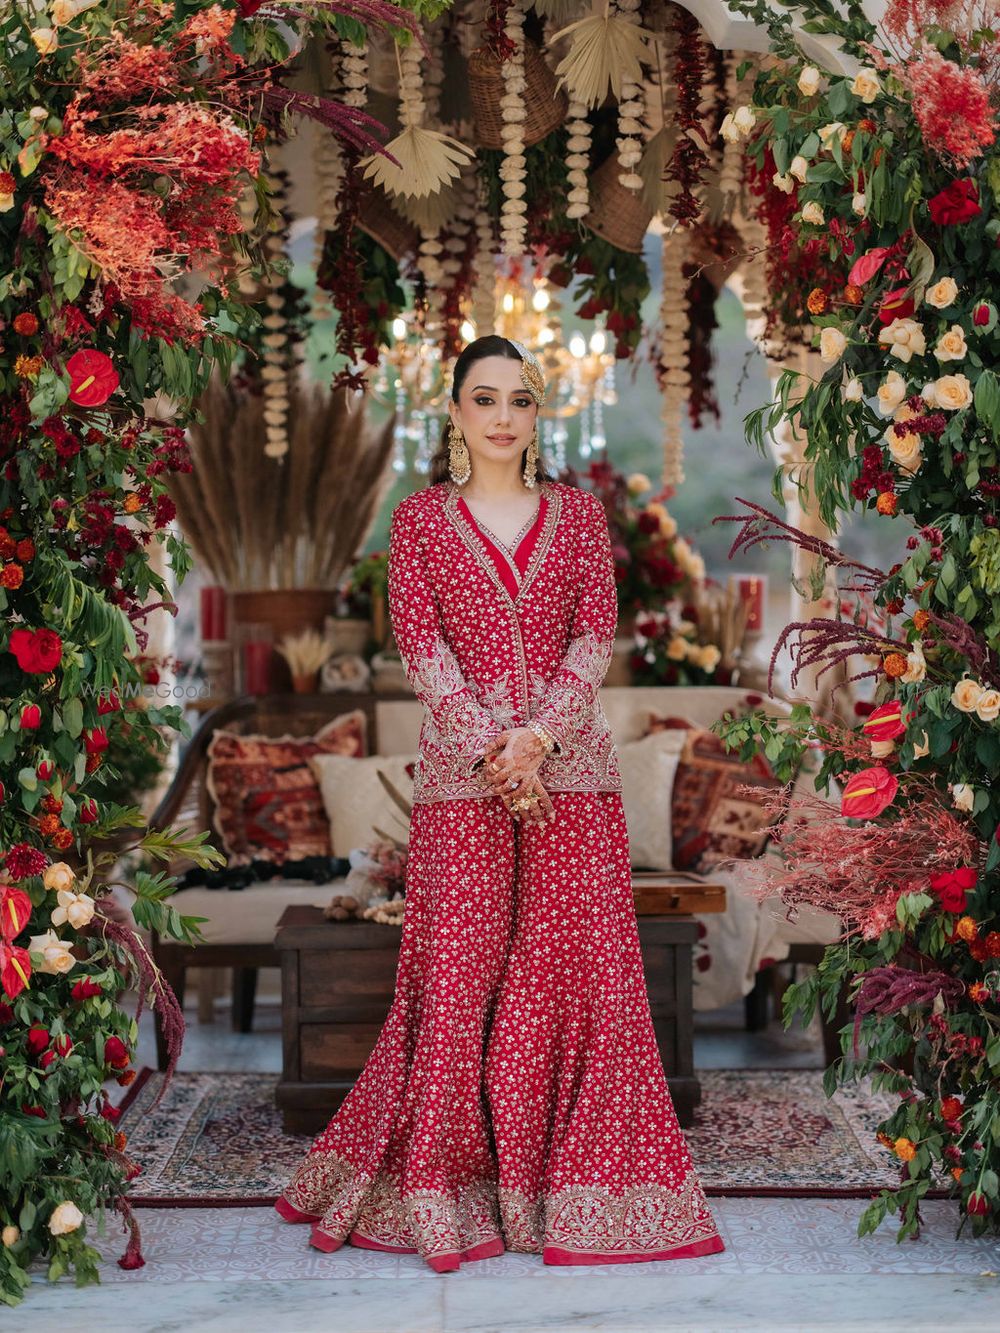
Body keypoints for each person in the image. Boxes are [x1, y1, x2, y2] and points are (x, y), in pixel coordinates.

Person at [275, 334, 725, 1271]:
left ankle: (577, 1192)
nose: (504, 417)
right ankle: (453, 1188)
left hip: (575, 781)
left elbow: (595, 629)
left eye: (521, 399)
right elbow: (421, 643)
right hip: (460, 780)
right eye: (485, 399)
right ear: (454, 412)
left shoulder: (578, 514)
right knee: (459, 974)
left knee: (576, 978)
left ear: (536, 413)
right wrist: (491, 741)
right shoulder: (419, 523)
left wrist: (540, 738)